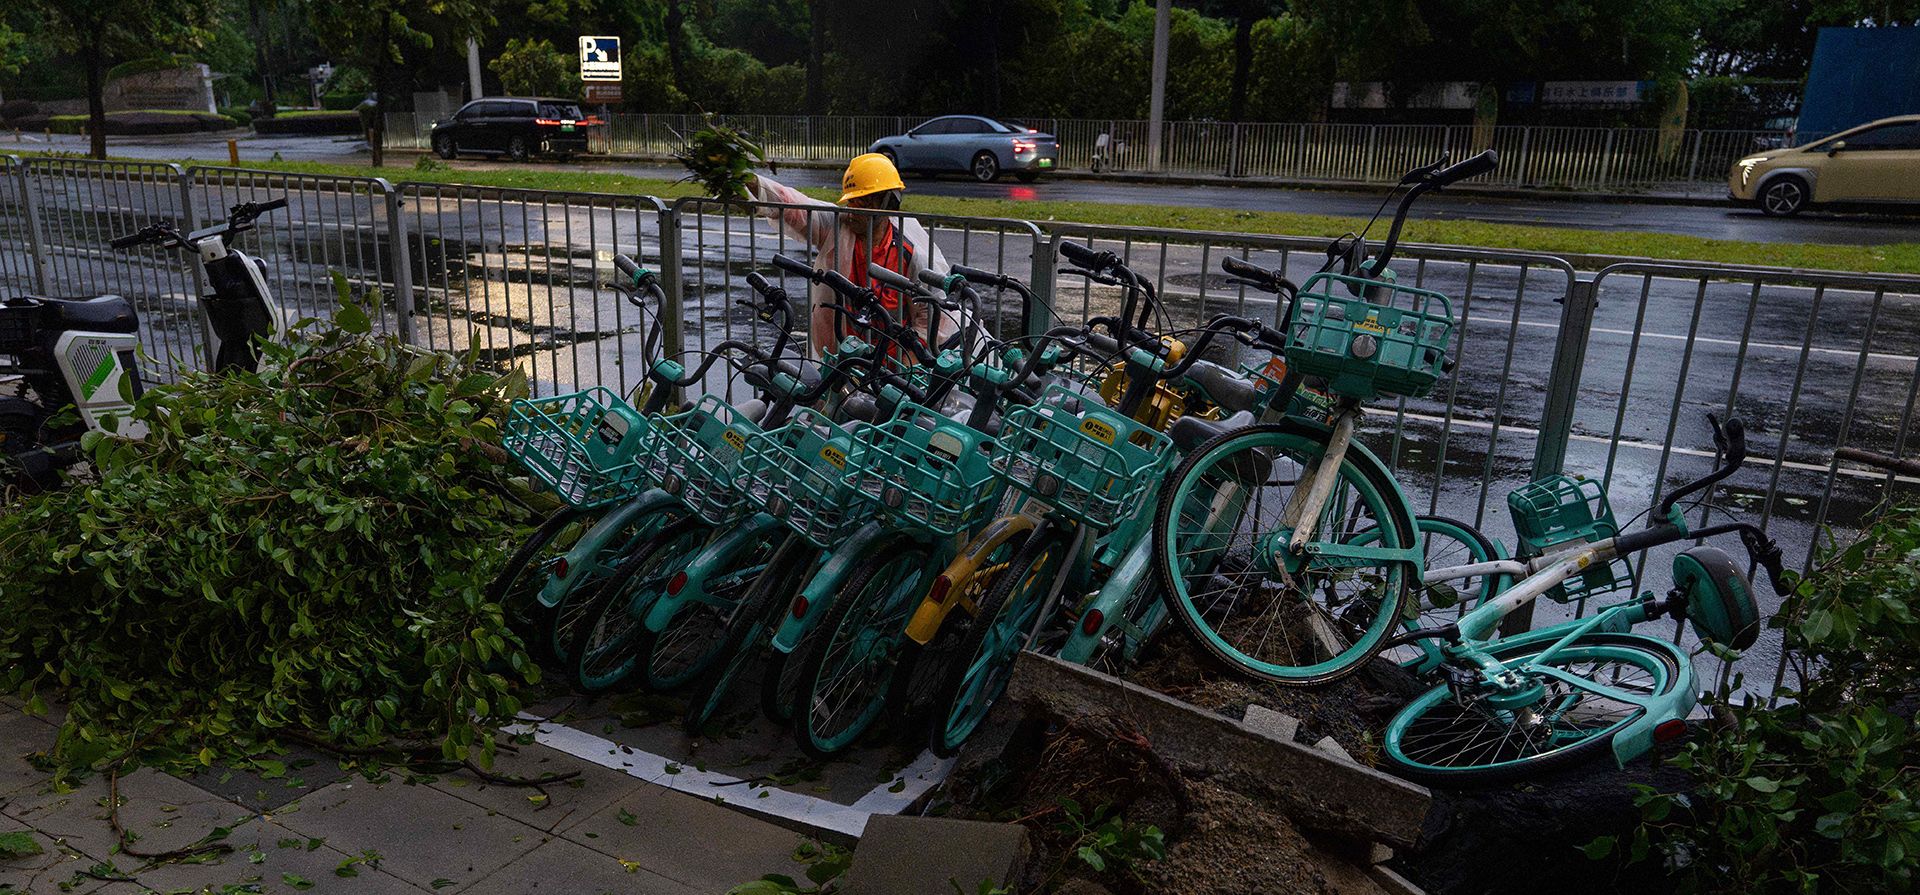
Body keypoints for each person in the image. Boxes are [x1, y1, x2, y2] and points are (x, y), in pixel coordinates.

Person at [746, 153, 962, 358]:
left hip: (893, 364)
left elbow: (932, 316)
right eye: (851, 202)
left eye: (862, 203)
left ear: (886, 203)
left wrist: (909, 360)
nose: (851, 211)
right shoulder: (837, 229)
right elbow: (793, 206)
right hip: (843, 358)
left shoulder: (911, 252)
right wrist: (750, 183)